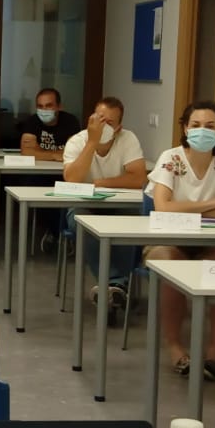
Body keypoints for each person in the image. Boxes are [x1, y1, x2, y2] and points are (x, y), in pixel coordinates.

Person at [146, 100, 215, 381]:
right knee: (171, 266)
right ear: (185, 128)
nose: (202, 131)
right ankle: (175, 348)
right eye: (195, 125)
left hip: (213, 242)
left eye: (210, 126)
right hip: (169, 240)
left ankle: (213, 354)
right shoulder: (171, 158)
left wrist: (188, 209)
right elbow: (162, 207)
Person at [61, 96, 148, 304]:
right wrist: (92, 142)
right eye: (99, 120)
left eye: (109, 122)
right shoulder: (77, 141)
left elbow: (138, 178)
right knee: (84, 224)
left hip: (120, 205)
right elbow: (72, 178)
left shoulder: (128, 139)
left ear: (118, 128)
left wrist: (100, 183)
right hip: (83, 205)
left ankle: (113, 286)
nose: (103, 126)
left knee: (131, 222)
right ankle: (117, 283)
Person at [18, 87, 81, 159]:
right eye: (40, 106)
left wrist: (39, 152)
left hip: (63, 165)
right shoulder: (31, 121)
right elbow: (26, 153)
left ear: (59, 107)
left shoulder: (70, 121)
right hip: (39, 165)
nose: (44, 110)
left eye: (49, 105)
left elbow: (74, 152)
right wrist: (55, 155)